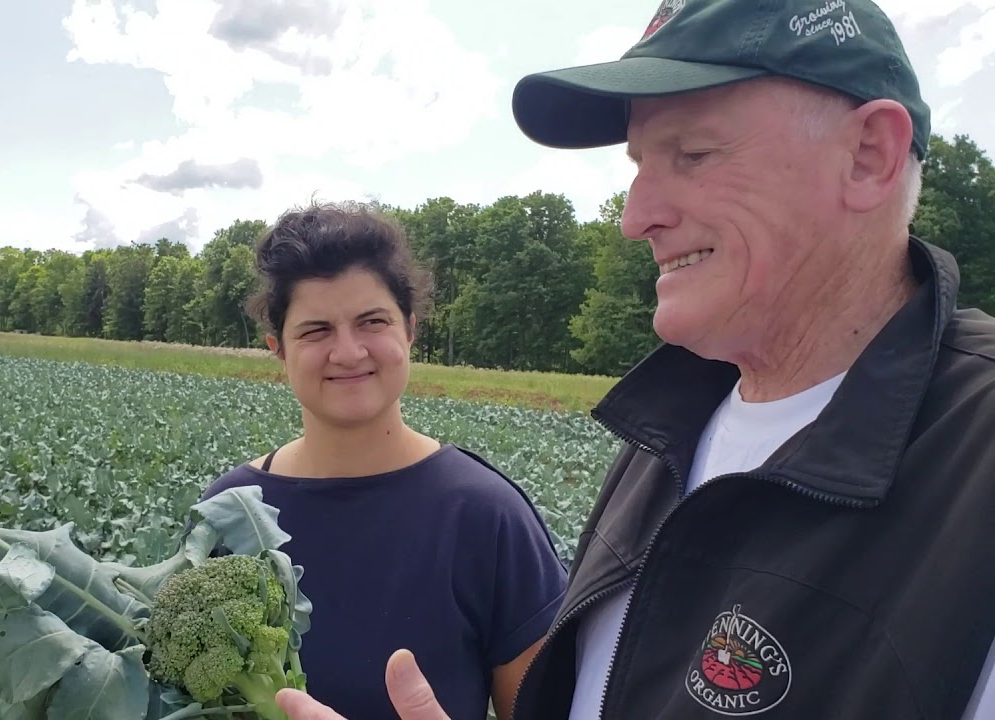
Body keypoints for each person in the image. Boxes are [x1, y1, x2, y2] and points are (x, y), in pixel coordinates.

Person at [274, 0, 995, 718]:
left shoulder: (975, 466)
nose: (633, 217)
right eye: (640, 163)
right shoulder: (670, 433)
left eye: (694, 154)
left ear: (868, 156)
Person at [196, 200, 570, 720]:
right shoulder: (228, 512)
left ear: (409, 330)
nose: (349, 352)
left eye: (372, 321)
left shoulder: (486, 515)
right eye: (316, 330)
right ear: (278, 348)